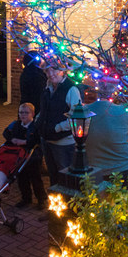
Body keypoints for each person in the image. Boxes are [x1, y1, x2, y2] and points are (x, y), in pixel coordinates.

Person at [33, 60, 81, 188]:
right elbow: (44, 110)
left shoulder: (71, 90)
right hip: (47, 140)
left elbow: (76, 117)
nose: (50, 73)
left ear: (62, 70)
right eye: (47, 70)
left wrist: (57, 128)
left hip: (63, 143)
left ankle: (69, 204)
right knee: (53, 176)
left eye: (53, 69)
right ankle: (57, 203)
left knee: (66, 177)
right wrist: (38, 121)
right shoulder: (47, 87)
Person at [84, 79, 128, 182]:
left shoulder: (85, 109)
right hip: (122, 167)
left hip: (94, 169)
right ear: (114, 91)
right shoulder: (124, 110)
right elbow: (126, 129)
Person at [3, 102, 46, 208]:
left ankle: (41, 199)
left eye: (26, 113)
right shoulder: (16, 124)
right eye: (21, 112)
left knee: (36, 178)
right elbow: (5, 132)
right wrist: (12, 139)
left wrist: (25, 142)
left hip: (33, 156)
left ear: (32, 114)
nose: (23, 115)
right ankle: (26, 198)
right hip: (19, 156)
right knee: (22, 178)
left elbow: (37, 140)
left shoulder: (35, 126)